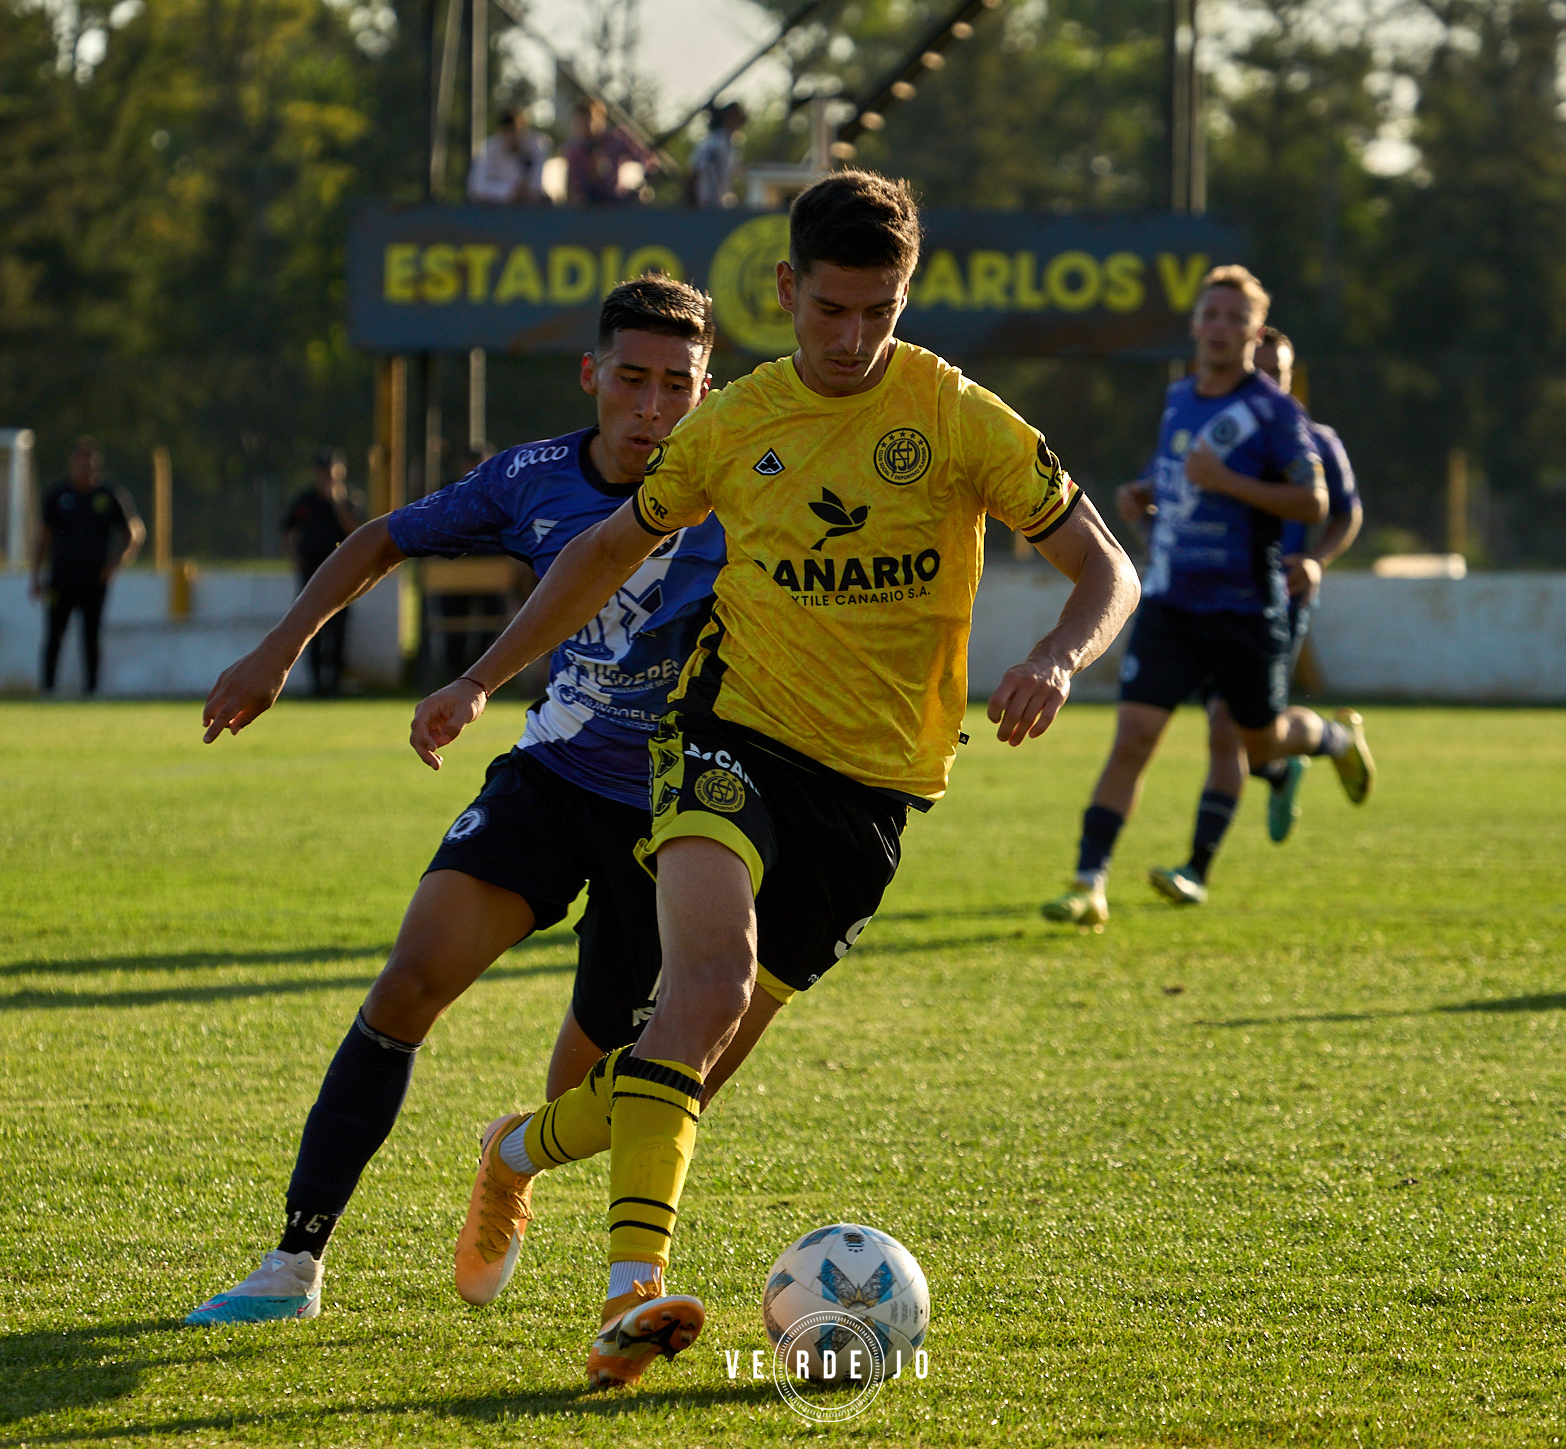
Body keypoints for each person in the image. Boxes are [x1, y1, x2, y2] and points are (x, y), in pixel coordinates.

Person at [409, 170, 1139, 1390]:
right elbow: (601, 549)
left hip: (878, 793)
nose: (854, 340)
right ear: (787, 290)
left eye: (881, 312)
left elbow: (1103, 566)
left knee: (681, 1065)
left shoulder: (957, 417)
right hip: (729, 735)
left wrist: (1061, 656)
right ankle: (628, 1302)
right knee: (707, 977)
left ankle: (516, 1151)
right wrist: (482, 676)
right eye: (831, 310)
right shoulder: (730, 423)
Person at [184, 276, 734, 1327]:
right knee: (407, 984)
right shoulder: (530, 478)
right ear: (592, 376)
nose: (652, 409)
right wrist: (275, 651)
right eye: (631, 379)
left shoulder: (743, 488)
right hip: (553, 776)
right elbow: (380, 536)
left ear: (706, 391)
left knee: (599, 1094)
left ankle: (509, 1160)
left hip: (678, 822)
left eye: (677, 385)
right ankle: (292, 1266)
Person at [1042, 266, 1373, 930]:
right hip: (1170, 601)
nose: (1219, 327)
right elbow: (1179, 482)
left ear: (1253, 330)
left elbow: (1313, 501)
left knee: (1258, 743)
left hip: (1246, 607)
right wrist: (1144, 495)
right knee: (1133, 736)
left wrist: (1226, 480)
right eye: (1210, 315)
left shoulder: (1277, 413)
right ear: (1196, 325)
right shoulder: (1180, 400)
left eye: (1234, 318)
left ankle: (1332, 738)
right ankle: (1088, 883)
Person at [1163, 327, 1366, 898]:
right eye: (1262, 367)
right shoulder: (1216, 437)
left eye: (1280, 371)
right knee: (1253, 741)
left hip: (1276, 603)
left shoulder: (1314, 440)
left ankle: (1196, 869)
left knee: (1227, 728)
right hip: (1209, 600)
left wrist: (1319, 561)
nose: (1270, 380)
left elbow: (1345, 515)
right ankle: (1317, 749)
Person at [31, 438, 143, 695]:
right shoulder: (58, 495)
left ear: (96, 466)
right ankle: (47, 689)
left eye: (88, 462)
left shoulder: (109, 495)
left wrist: (116, 564)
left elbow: (134, 533)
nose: (84, 467)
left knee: (90, 636)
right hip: (61, 577)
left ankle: (90, 691)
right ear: (72, 464)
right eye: (79, 461)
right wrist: (36, 576)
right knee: (54, 634)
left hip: (94, 578)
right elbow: (43, 537)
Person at [281, 453, 363, 697]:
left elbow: (356, 532)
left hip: (341, 575)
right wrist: (294, 556)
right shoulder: (305, 500)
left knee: (338, 630)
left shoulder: (349, 501)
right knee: (309, 629)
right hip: (311, 573)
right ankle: (316, 685)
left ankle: (334, 684)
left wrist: (337, 502)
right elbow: (286, 529)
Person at [562, 97, 653, 205]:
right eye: (580, 122)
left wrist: (632, 177)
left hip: (624, 202)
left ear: (601, 119)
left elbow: (648, 161)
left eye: (589, 120)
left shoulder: (619, 139)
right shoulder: (574, 150)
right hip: (590, 206)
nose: (585, 126)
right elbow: (577, 186)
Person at [468, 107, 553, 205]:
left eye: (517, 131)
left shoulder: (538, 146)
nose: (513, 136)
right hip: (494, 212)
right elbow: (476, 187)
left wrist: (527, 191)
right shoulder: (489, 149)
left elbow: (538, 186)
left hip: (529, 210)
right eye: (508, 131)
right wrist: (510, 191)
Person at [686, 101, 746, 208]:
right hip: (706, 202)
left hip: (721, 202)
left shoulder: (731, 143)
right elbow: (695, 173)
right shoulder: (714, 142)